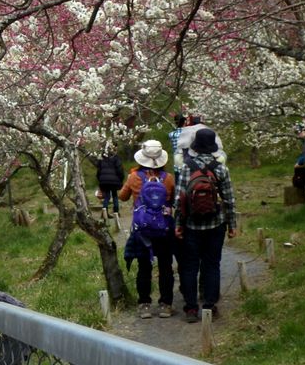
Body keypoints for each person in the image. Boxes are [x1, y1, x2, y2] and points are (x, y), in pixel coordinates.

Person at [175, 128, 237, 323]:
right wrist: (232, 225)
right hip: (215, 224)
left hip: (192, 225)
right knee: (212, 265)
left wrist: (178, 224)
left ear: (195, 146)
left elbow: (180, 199)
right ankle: (210, 306)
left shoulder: (187, 166)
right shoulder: (220, 168)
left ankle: (191, 309)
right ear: (212, 147)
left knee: (189, 266)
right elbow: (229, 199)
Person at [119, 140, 175, 319]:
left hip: (142, 229)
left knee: (144, 267)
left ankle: (144, 305)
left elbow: (122, 196)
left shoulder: (134, 177)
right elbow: (173, 198)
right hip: (164, 227)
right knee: (166, 266)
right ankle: (166, 304)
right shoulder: (168, 179)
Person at [95, 144, 124, 216]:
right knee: (114, 195)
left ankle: (104, 212)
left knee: (107, 196)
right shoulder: (116, 158)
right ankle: (116, 212)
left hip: (104, 180)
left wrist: (100, 180)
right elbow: (120, 170)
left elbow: (98, 171)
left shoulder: (101, 158)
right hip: (114, 180)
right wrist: (121, 179)